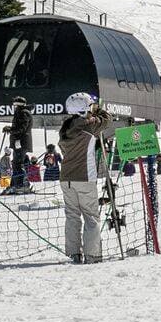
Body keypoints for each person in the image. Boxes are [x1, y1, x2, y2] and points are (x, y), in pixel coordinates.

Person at [58, 92, 111, 264]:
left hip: (66, 177)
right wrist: (99, 110)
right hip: (85, 177)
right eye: (90, 106)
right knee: (91, 216)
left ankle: (73, 253)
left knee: (72, 215)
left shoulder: (65, 128)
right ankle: (92, 254)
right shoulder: (89, 126)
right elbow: (107, 120)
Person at [7, 98, 34, 194]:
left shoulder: (24, 113)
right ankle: (14, 185)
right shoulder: (21, 112)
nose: (14, 107)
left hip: (21, 142)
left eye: (15, 105)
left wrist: (10, 129)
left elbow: (22, 128)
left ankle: (22, 185)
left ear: (19, 105)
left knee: (18, 164)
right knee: (16, 164)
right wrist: (10, 129)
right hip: (19, 142)